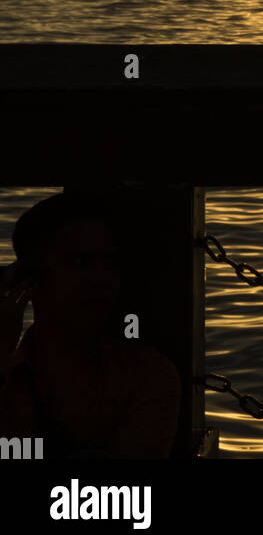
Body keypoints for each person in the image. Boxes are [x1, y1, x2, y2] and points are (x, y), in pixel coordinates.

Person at [0, 192, 181, 458]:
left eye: (111, 264)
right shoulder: (8, 377)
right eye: (81, 263)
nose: (102, 279)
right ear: (30, 279)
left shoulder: (146, 376)